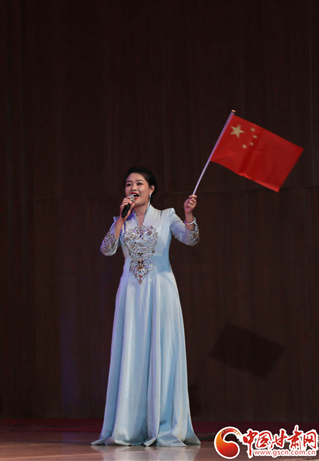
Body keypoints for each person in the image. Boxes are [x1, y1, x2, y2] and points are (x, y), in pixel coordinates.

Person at [93, 166, 201, 447]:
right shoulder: (121, 220)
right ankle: (130, 426)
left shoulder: (167, 216)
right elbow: (106, 249)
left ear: (151, 189)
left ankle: (162, 423)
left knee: (161, 350)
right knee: (132, 351)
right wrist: (120, 220)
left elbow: (190, 239)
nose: (133, 188)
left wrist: (189, 215)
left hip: (161, 291)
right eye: (129, 184)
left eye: (139, 183)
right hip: (131, 293)